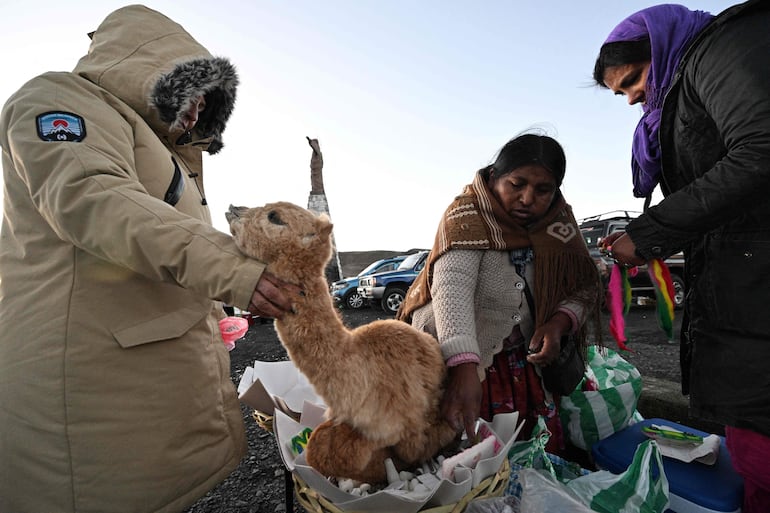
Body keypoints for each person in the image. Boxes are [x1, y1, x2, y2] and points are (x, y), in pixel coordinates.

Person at [0, 6, 298, 513]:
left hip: (136, 391)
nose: (197, 111)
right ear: (152, 64)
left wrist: (212, 310)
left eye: (207, 104)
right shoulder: (58, 98)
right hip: (87, 390)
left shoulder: (164, 153)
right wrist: (236, 271)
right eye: (190, 90)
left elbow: (164, 248)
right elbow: (96, 199)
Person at [592, 1, 770, 510]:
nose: (630, 98)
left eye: (632, 80)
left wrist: (650, 233)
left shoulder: (722, 47)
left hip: (758, 306)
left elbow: (759, 147)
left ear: (661, 47)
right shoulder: (687, 86)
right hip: (746, 309)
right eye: (621, 92)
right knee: (754, 464)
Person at [397, 132, 602, 455]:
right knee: (463, 455)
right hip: (463, 362)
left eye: (542, 190)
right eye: (516, 184)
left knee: (524, 456)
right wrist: (463, 366)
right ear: (494, 178)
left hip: (524, 366)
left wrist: (559, 322)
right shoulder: (466, 216)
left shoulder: (559, 225)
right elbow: (452, 287)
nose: (527, 198)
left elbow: (585, 285)